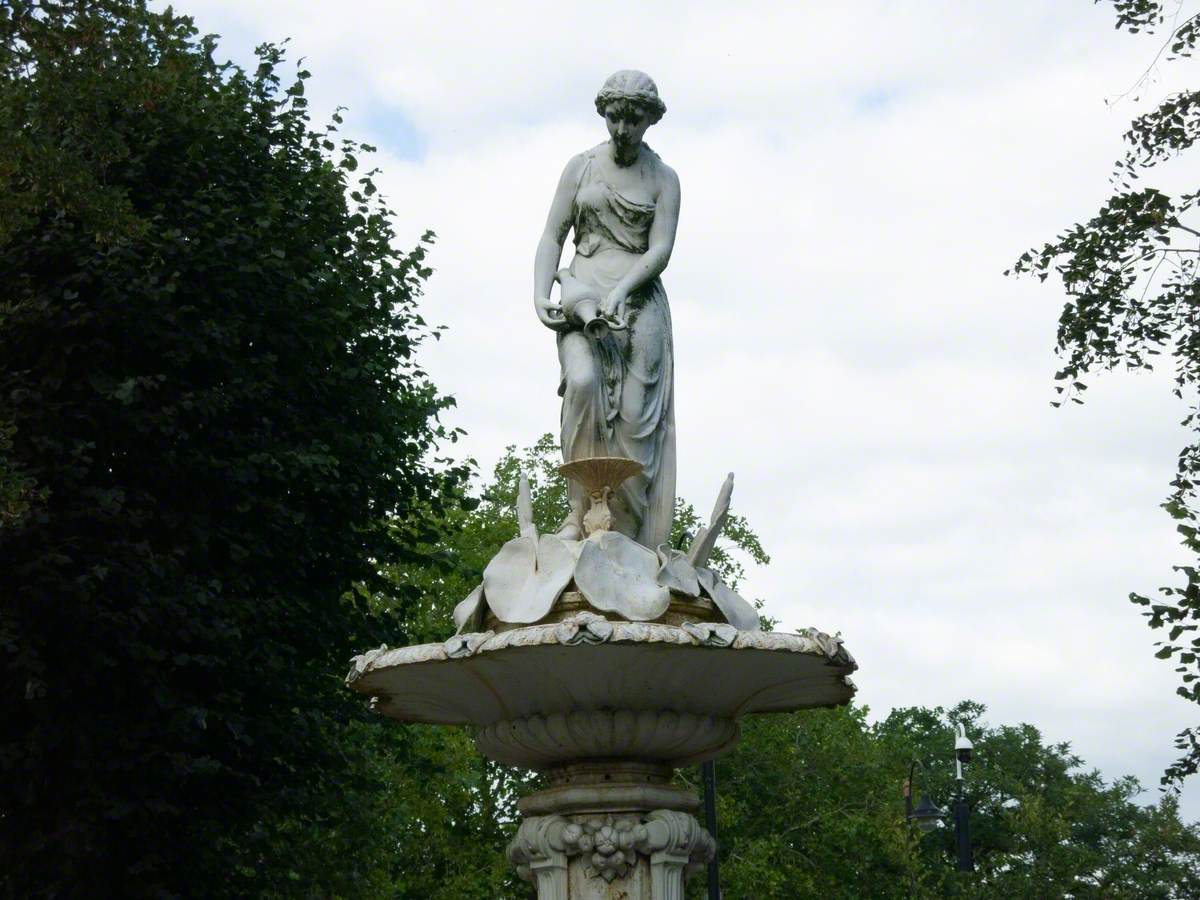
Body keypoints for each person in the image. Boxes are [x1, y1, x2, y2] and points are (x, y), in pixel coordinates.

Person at [532, 70, 680, 549]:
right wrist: (540, 294)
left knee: (637, 421)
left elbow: (659, 251)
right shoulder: (581, 167)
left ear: (650, 121)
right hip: (582, 298)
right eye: (615, 118)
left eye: (633, 120)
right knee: (582, 385)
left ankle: (628, 535)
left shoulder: (664, 180)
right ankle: (579, 512)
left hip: (639, 304)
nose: (622, 129)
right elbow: (553, 235)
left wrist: (623, 290)